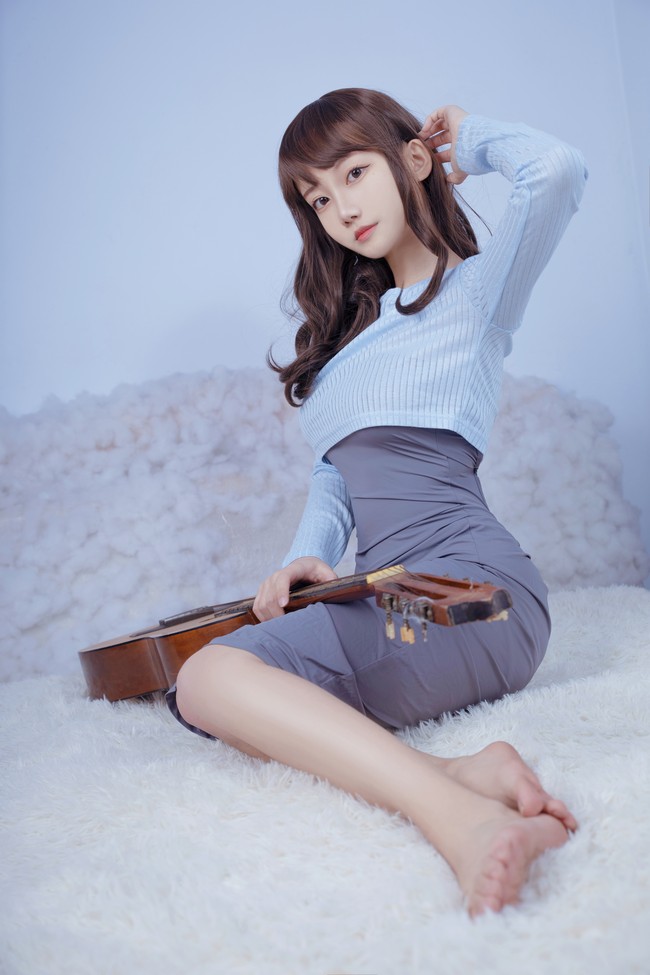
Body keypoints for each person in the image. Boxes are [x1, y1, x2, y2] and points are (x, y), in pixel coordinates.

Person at [167, 89, 587, 915]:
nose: (342, 208)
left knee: (212, 676)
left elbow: (558, 170)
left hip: (474, 592)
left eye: (355, 173)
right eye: (319, 198)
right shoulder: (344, 350)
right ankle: (465, 773)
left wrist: (470, 139)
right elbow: (335, 476)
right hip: (389, 594)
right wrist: (306, 555)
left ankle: (460, 819)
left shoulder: (477, 294)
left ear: (413, 161)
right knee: (207, 690)